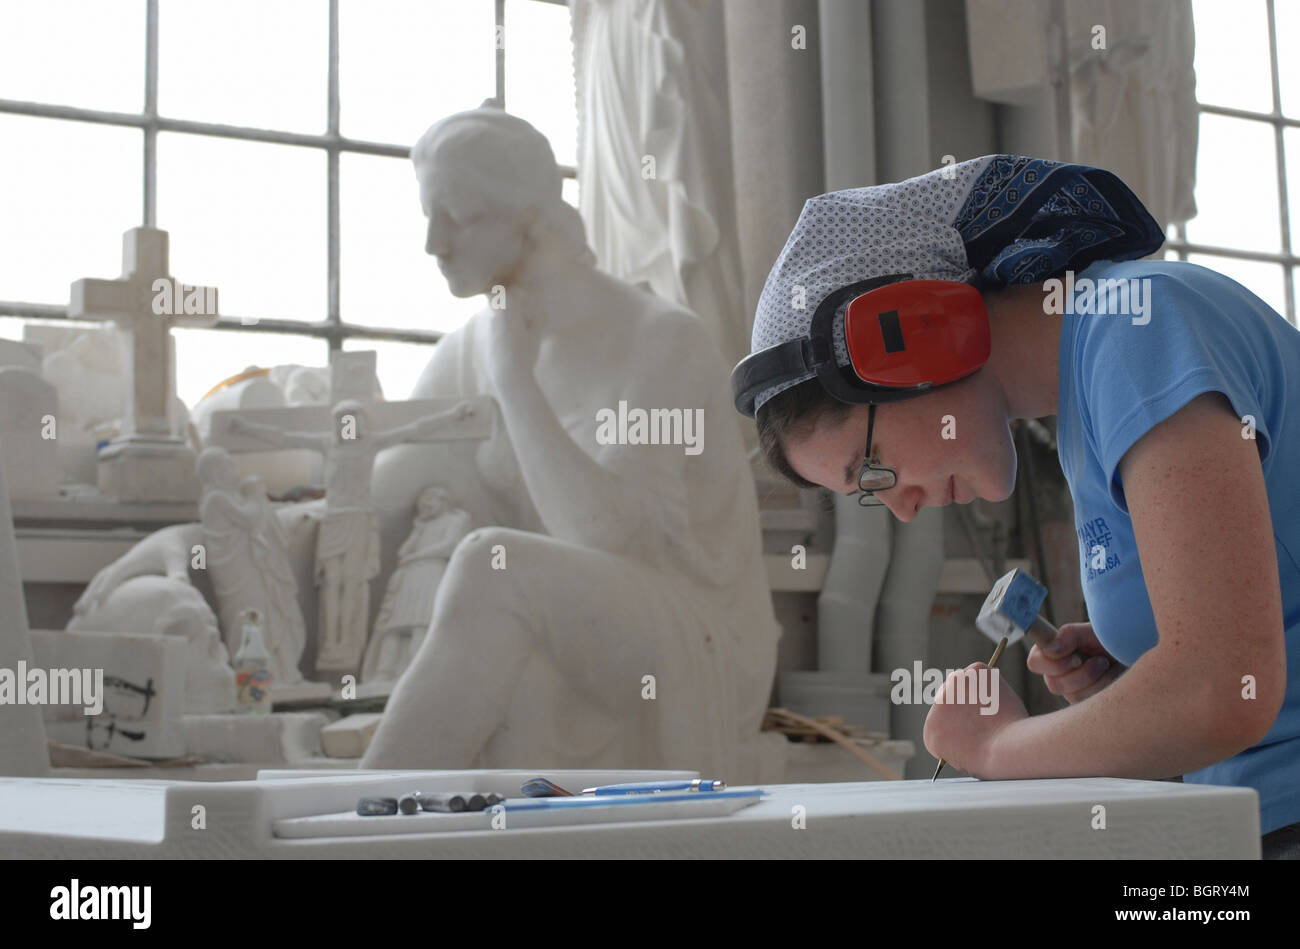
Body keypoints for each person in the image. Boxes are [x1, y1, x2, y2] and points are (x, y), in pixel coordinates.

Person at [732, 155, 1300, 858]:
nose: (903, 508)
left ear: (913, 332)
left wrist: (1000, 746)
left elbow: (1221, 692)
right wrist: (1139, 675)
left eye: (871, 471)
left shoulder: (1138, 330)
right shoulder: (1086, 401)